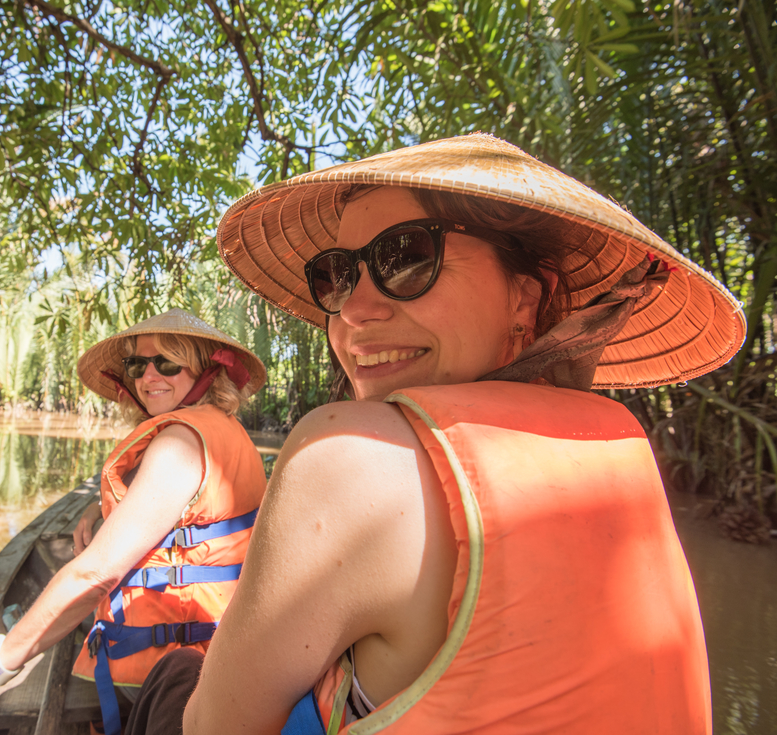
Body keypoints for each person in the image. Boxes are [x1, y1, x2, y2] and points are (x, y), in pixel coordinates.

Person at [176, 134, 745, 734]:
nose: (354, 310)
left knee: (174, 682)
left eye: (409, 258)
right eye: (338, 276)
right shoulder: (616, 445)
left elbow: (211, 726)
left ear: (525, 300)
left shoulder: (349, 455)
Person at [0, 309, 268, 735]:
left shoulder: (179, 443)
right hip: (218, 646)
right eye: (136, 364)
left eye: (167, 362)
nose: (147, 376)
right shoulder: (223, 429)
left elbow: (96, 573)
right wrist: (98, 508)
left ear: (207, 372)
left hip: (170, 663)